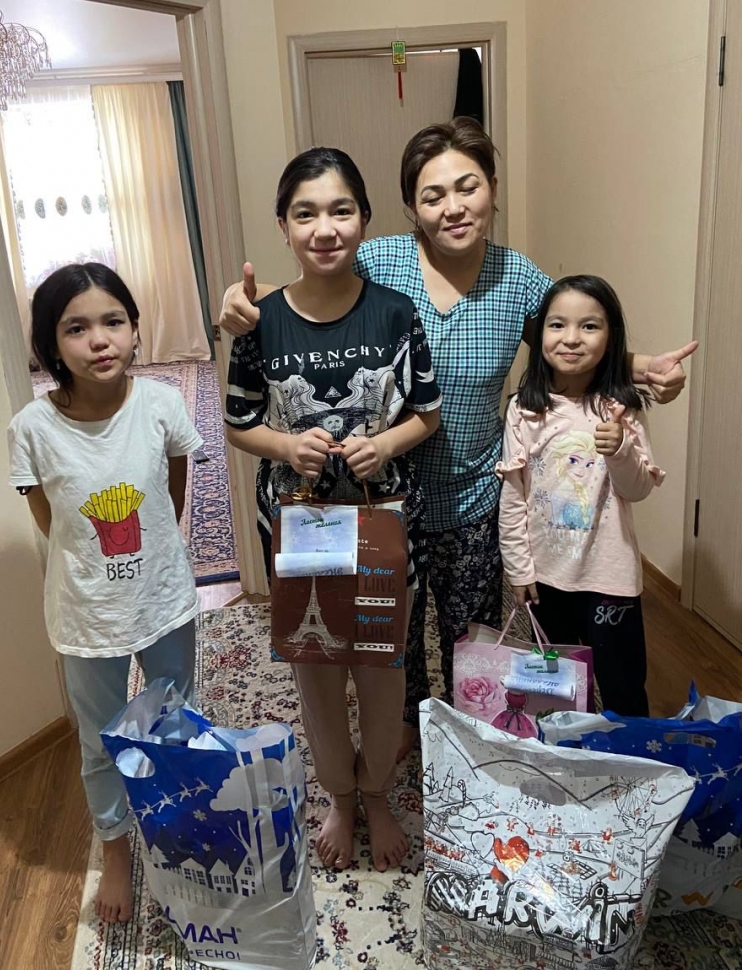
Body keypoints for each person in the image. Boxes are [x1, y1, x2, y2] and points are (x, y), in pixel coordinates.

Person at [219, 118, 695, 756]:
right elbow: (310, 288)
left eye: (467, 187)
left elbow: (571, 336)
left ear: (492, 188)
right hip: (385, 495)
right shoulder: (381, 260)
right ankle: (408, 730)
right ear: (411, 207)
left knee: (471, 637)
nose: (453, 208)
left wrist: (642, 366)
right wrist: (238, 303)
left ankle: (469, 736)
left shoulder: (518, 279)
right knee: (396, 632)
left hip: (474, 496)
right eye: (433, 195)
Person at [223, 147, 441, 872]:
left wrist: (386, 443)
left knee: (381, 671)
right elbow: (239, 422)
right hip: (298, 530)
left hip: (383, 527)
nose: (325, 228)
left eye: (341, 210)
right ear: (283, 226)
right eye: (305, 213)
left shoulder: (394, 311)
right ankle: (340, 800)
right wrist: (287, 445)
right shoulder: (260, 320)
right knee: (317, 675)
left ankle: (376, 794)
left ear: (365, 219)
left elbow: (428, 413)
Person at [7, 263, 203, 923]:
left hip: (164, 599)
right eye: (76, 328)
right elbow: (51, 521)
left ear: (135, 328)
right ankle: (116, 845)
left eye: (113, 321)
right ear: (50, 343)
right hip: (86, 616)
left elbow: (171, 493)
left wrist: (149, 558)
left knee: (174, 721)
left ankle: (178, 824)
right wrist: (97, 568)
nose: (99, 340)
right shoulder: (31, 430)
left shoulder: (162, 404)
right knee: (99, 741)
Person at [497, 275, 662, 716]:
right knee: (560, 689)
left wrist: (620, 450)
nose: (571, 338)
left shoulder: (621, 407)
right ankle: (569, 750)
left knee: (623, 685)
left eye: (589, 326)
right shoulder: (524, 409)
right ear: (540, 335)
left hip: (610, 577)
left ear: (611, 337)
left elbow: (637, 490)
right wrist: (518, 568)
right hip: (547, 577)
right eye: (557, 325)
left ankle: (629, 754)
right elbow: (513, 497)